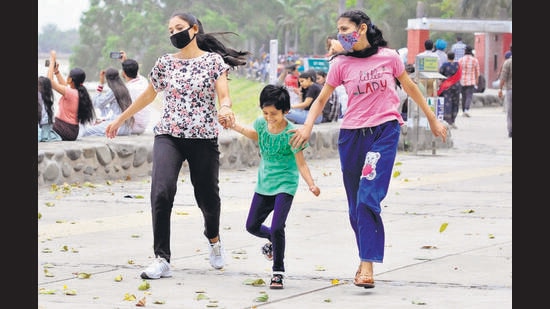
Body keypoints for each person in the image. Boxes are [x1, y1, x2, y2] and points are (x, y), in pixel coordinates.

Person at [288, 9, 447, 289]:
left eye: (345, 29)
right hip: (351, 136)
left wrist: (433, 119)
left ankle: (367, 264)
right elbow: (321, 100)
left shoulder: (388, 57)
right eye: (339, 30)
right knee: (354, 205)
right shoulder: (340, 64)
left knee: (367, 197)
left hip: (384, 131)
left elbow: (410, 88)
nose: (341, 35)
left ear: (361, 29)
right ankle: (365, 258)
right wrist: (307, 126)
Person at [105, 11, 250, 279]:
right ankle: (162, 258)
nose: (174, 33)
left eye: (179, 28)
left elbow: (224, 95)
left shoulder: (213, 62)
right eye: (170, 30)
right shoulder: (164, 64)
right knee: (161, 191)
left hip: (203, 137)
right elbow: (148, 96)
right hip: (168, 135)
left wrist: (226, 108)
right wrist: (119, 119)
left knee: (207, 198)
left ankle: (214, 239)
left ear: (194, 29)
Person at [223, 84, 320, 289]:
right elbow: (255, 134)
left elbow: (301, 162)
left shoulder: (292, 133)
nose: (269, 117)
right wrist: (234, 126)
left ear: (285, 111)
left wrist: (311, 184)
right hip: (264, 183)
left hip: (285, 184)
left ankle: (278, 272)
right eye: (265, 112)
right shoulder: (261, 123)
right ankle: (273, 241)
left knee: (277, 227)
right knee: (251, 226)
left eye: (274, 113)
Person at [47, 50, 96, 141]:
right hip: (73, 131)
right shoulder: (77, 92)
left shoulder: (70, 92)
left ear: (70, 79)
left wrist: (52, 60)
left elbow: (49, 81)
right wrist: (56, 72)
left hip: (63, 128)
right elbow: (64, 87)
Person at [81, 68, 134, 137]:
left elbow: (96, 103)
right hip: (126, 127)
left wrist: (101, 84)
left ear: (107, 79)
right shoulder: (124, 88)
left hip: (117, 126)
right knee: (96, 131)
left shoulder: (113, 91)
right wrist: (103, 120)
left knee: (85, 131)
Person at [119, 51, 152, 134]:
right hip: (144, 125)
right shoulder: (143, 81)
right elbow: (134, 72)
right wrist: (125, 61)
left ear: (123, 73)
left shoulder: (127, 89)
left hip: (133, 127)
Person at [438, 51, 461, 129]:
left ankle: (448, 121)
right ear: (454, 57)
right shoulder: (458, 65)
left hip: (447, 86)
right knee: (455, 103)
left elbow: (440, 75)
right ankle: (453, 121)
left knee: (447, 102)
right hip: (456, 86)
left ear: (447, 57)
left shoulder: (445, 65)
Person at [457, 45, 479, 117]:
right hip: (471, 81)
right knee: (469, 96)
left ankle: (464, 110)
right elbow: (477, 72)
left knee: (463, 96)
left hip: (462, 81)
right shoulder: (475, 60)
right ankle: (466, 110)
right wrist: (477, 80)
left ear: (465, 51)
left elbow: (458, 71)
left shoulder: (460, 60)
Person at [38, 76, 62, 142]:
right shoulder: (47, 97)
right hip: (46, 124)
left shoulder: (39, 95)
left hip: (43, 124)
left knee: (42, 137)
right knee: (46, 136)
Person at [498, 45, 512, 138]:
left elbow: (503, 77)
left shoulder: (508, 62)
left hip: (511, 90)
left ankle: (511, 130)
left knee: (510, 112)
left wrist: (500, 89)